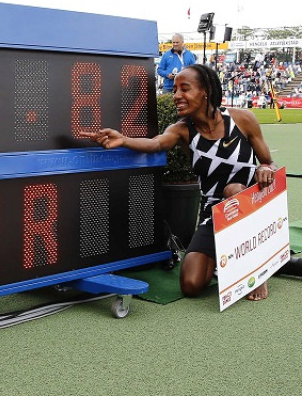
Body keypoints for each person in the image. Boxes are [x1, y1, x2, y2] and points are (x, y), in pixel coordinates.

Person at [81, 64, 277, 300]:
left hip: (249, 209)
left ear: (205, 90)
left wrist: (265, 169)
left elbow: (268, 161)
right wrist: (123, 140)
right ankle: (225, 253)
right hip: (213, 212)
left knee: (233, 189)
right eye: (175, 90)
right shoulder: (182, 130)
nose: (176, 97)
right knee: (191, 285)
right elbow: (155, 144)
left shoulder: (242, 119)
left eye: (185, 89)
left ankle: (255, 267)